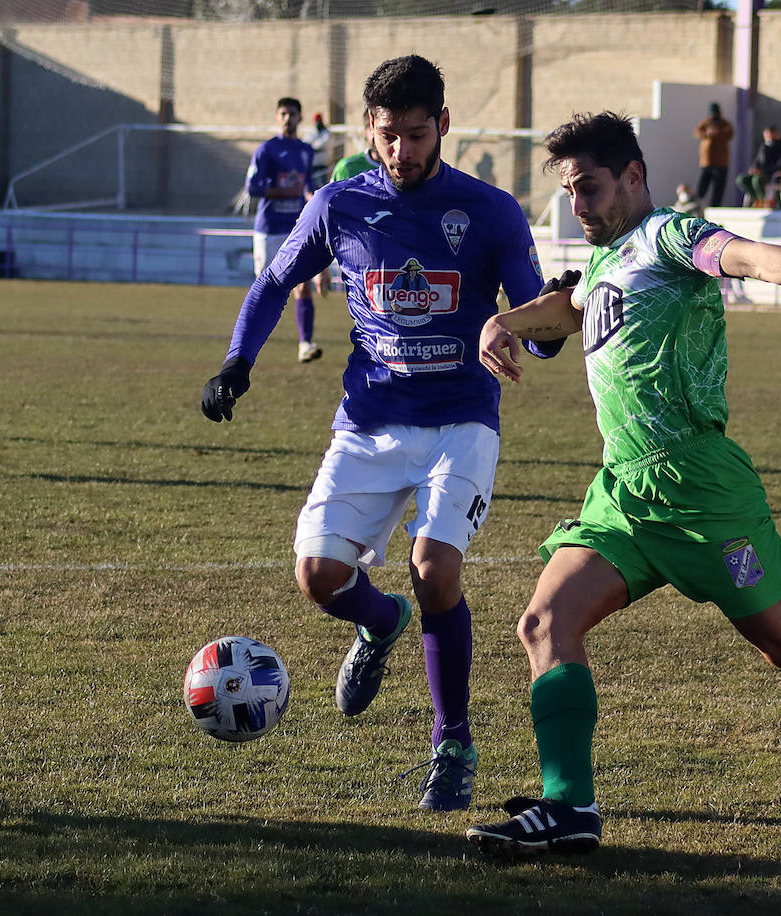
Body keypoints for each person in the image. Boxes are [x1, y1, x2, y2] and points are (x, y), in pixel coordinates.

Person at [463, 111, 781, 858]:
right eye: (570, 192)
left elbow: (742, 255)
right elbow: (569, 307)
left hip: (703, 489)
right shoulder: (610, 259)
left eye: (589, 189)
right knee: (544, 624)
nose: (577, 205)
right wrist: (504, 321)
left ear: (634, 178)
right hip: (624, 494)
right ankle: (568, 807)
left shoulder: (669, 237)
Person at [201, 55, 564, 812]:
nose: (402, 151)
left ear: (444, 128)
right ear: (369, 131)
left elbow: (542, 317)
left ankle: (452, 741)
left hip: (462, 419)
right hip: (367, 423)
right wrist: (238, 362)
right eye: (389, 136)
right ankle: (380, 621)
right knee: (317, 579)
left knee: (435, 569)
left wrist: (529, 332)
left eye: (417, 134)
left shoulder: (489, 210)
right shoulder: (339, 204)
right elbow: (273, 282)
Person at [246, 97, 322, 363]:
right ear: (277, 118)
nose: (288, 118)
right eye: (284, 113)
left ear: (300, 118)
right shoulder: (266, 150)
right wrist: (283, 192)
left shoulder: (305, 150)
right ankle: (249, 344)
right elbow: (252, 188)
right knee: (265, 287)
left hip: (295, 228)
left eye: (293, 113)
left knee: (302, 285)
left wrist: (311, 196)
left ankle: (306, 344)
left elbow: (307, 184)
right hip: (268, 228)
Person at [734, 125, 781, 207]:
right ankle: (755, 198)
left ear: (774, 134)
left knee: (757, 180)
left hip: (771, 175)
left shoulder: (780, 147)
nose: (767, 137)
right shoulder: (763, 147)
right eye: (766, 135)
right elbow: (757, 161)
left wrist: (763, 170)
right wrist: (753, 168)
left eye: (769, 134)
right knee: (741, 179)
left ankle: (762, 200)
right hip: (760, 173)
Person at [693, 102, 733, 208]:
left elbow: (729, 133)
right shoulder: (706, 123)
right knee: (702, 185)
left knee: (718, 188)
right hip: (707, 161)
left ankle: (715, 206)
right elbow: (697, 132)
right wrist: (707, 133)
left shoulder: (724, 124)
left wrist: (717, 133)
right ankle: (697, 204)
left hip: (721, 162)